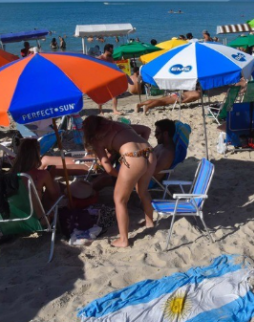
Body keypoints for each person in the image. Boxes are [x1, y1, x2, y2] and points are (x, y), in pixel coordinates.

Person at [83, 115, 157, 248]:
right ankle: (149, 222)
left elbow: (108, 168)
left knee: (119, 199)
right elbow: (146, 129)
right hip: (149, 152)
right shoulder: (119, 125)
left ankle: (123, 240)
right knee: (143, 191)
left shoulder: (96, 139)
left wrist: (122, 177)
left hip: (132, 157)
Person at [10, 138, 62, 210]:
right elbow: (54, 196)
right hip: (35, 219)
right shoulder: (42, 175)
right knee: (55, 185)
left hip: (14, 218)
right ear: (37, 155)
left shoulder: (9, 175)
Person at [136, 88, 201, 114]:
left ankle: (140, 104)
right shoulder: (197, 94)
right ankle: (148, 106)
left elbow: (185, 92)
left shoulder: (193, 90)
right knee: (163, 102)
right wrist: (181, 102)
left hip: (177, 94)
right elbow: (188, 99)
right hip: (179, 97)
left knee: (159, 99)